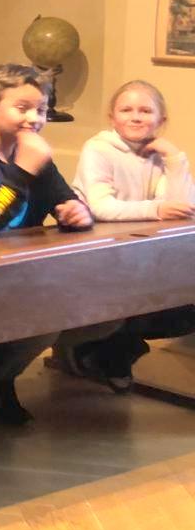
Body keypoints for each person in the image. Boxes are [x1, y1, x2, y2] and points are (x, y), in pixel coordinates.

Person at [0, 62, 94, 425]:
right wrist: (23, 169)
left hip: (17, 270)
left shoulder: (30, 149)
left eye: (40, 110)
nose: (33, 119)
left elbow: (63, 198)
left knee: (81, 307)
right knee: (40, 318)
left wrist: (76, 212)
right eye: (22, 108)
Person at [56, 79, 195, 390]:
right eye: (126, 110)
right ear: (112, 117)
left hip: (142, 255)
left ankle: (113, 349)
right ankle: (101, 350)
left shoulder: (158, 153)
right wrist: (157, 209)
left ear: (161, 120)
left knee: (185, 311)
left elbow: (184, 208)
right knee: (125, 308)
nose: (135, 117)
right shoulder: (98, 149)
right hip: (98, 254)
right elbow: (101, 207)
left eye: (145, 111)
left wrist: (175, 158)